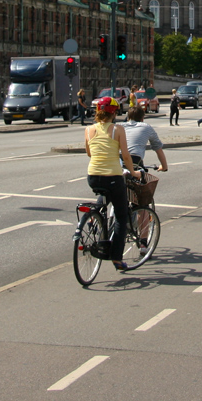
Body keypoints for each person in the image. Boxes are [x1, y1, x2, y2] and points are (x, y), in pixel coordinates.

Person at [84, 96, 141, 271]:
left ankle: (97, 219)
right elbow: (125, 155)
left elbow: (89, 153)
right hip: (113, 176)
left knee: (103, 197)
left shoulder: (88, 129)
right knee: (122, 216)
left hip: (93, 175)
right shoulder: (118, 129)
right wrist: (133, 172)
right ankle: (117, 258)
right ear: (114, 113)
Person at [120, 106, 170, 172]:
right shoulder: (146, 127)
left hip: (119, 159)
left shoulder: (119, 126)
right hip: (135, 160)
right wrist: (164, 167)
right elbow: (158, 148)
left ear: (128, 118)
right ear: (142, 119)